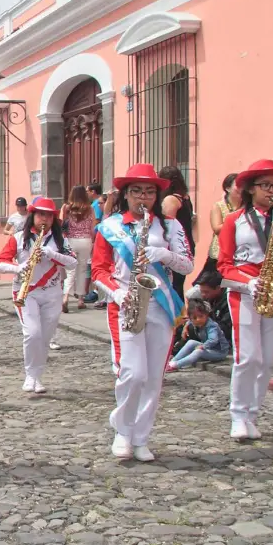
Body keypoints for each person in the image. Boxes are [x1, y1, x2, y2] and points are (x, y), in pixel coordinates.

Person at [91, 164, 193, 462]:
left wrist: (165, 254)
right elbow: (98, 269)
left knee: (153, 377)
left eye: (149, 192)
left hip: (162, 305)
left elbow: (187, 265)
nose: (143, 198)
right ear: (126, 194)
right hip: (127, 303)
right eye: (136, 191)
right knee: (133, 373)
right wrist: (118, 292)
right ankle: (122, 430)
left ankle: (141, 436)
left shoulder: (170, 226)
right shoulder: (110, 226)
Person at [217, 159, 273, 441]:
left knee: (268, 359)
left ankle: (253, 414)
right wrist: (249, 281)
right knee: (248, 357)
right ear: (251, 189)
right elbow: (223, 265)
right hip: (244, 292)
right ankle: (238, 414)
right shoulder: (234, 220)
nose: (272, 191)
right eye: (266, 185)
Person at [0, 197, 75, 395]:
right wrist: (19, 267)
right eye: (41, 214)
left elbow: (73, 263)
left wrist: (52, 254)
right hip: (26, 291)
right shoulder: (18, 238)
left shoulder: (60, 240)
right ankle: (30, 375)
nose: (44, 219)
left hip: (52, 292)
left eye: (48, 215)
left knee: (45, 337)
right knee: (32, 334)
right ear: (33, 215)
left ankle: (38, 376)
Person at [158, 166, 195, 300]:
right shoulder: (185, 197)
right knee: (178, 284)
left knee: (173, 286)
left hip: (176, 246)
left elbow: (167, 225)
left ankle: (177, 317)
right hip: (186, 243)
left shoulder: (171, 200)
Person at [167, 299, 230, 371]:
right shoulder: (194, 322)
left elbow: (213, 340)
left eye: (201, 316)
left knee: (198, 351)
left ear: (206, 315)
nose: (198, 319)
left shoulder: (212, 326)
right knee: (191, 342)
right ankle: (173, 361)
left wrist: (203, 346)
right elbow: (189, 321)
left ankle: (175, 365)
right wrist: (185, 327)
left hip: (219, 352)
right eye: (194, 318)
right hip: (209, 348)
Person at [205, 174, 242, 276]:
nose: (242, 188)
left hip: (240, 254)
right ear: (227, 188)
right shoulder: (219, 205)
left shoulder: (247, 207)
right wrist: (235, 220)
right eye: (238, 185)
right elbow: (216, 228)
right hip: (219, 253)